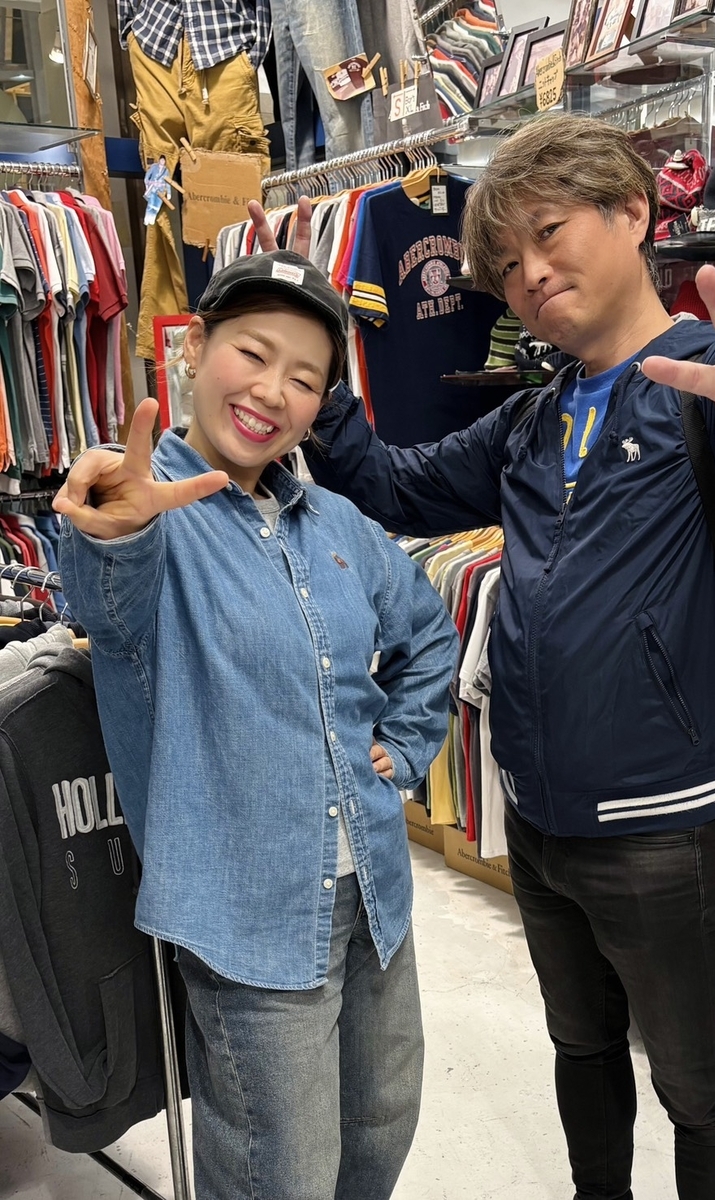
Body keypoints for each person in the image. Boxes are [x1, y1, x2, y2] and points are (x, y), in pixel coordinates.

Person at [250, 114, 715, 1200]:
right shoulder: (532, 421)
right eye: (505, 261)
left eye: (549, 232)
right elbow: (391, 488)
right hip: (536, 816)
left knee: (698, 1090)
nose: (528, 273)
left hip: (667, 824)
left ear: (632, 212)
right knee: (580, 1050)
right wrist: (318, 377)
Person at [54, 251, 458, 1200]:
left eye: (306, 378)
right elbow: (109, 612)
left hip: (375, 895)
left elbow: (431, 636)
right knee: (282, 1173)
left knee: (379, 1131)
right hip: (245, 918)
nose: (273, 392)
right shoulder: (152, 515)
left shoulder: (340, 526)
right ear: (196, 347)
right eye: (254, 353)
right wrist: (116, 532)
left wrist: (402, 751)